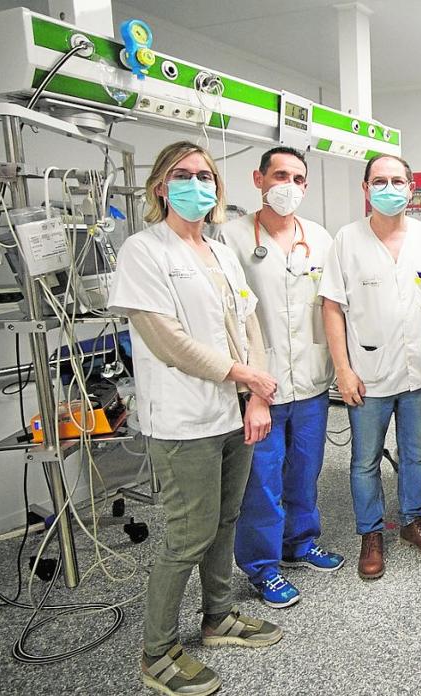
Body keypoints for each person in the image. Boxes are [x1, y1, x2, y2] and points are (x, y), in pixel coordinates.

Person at [109, 141, 283, 696]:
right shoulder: (144, 250)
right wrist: (246, 377)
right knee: (187, 535)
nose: (197, 185)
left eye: (205, 175)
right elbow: (169, 343)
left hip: (233, 413)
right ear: (161, 186)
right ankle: (157, 653)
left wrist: (256, 393)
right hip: (182, 421)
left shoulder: (219, 249)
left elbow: (249, 324)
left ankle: (218, 617)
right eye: (183, 175)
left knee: (225, 521)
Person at [219, 146, 342, 610]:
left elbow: (331, 307)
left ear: (306, 186)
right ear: (259, 179)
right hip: (261, 385)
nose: (288, 185)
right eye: (280, 175)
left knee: (305, 472)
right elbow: (229, 318)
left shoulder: (319, 238)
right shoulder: (229, 238)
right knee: (263, 481)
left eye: (297, 178)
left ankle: (300, 544)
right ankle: (262, 568)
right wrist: (250, 385)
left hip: (310, 380)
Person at [319, 154, 421, 580]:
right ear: (365, 188)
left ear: (411, 189)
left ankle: (415, 521)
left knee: (414, 455)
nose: (389, 188)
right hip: (367, 372)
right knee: (364, 461)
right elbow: (332, 307)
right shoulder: (347, 240)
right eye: (380, 181)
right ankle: (371, 532)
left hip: (418, 372)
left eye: (397, 181)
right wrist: (342, 369)